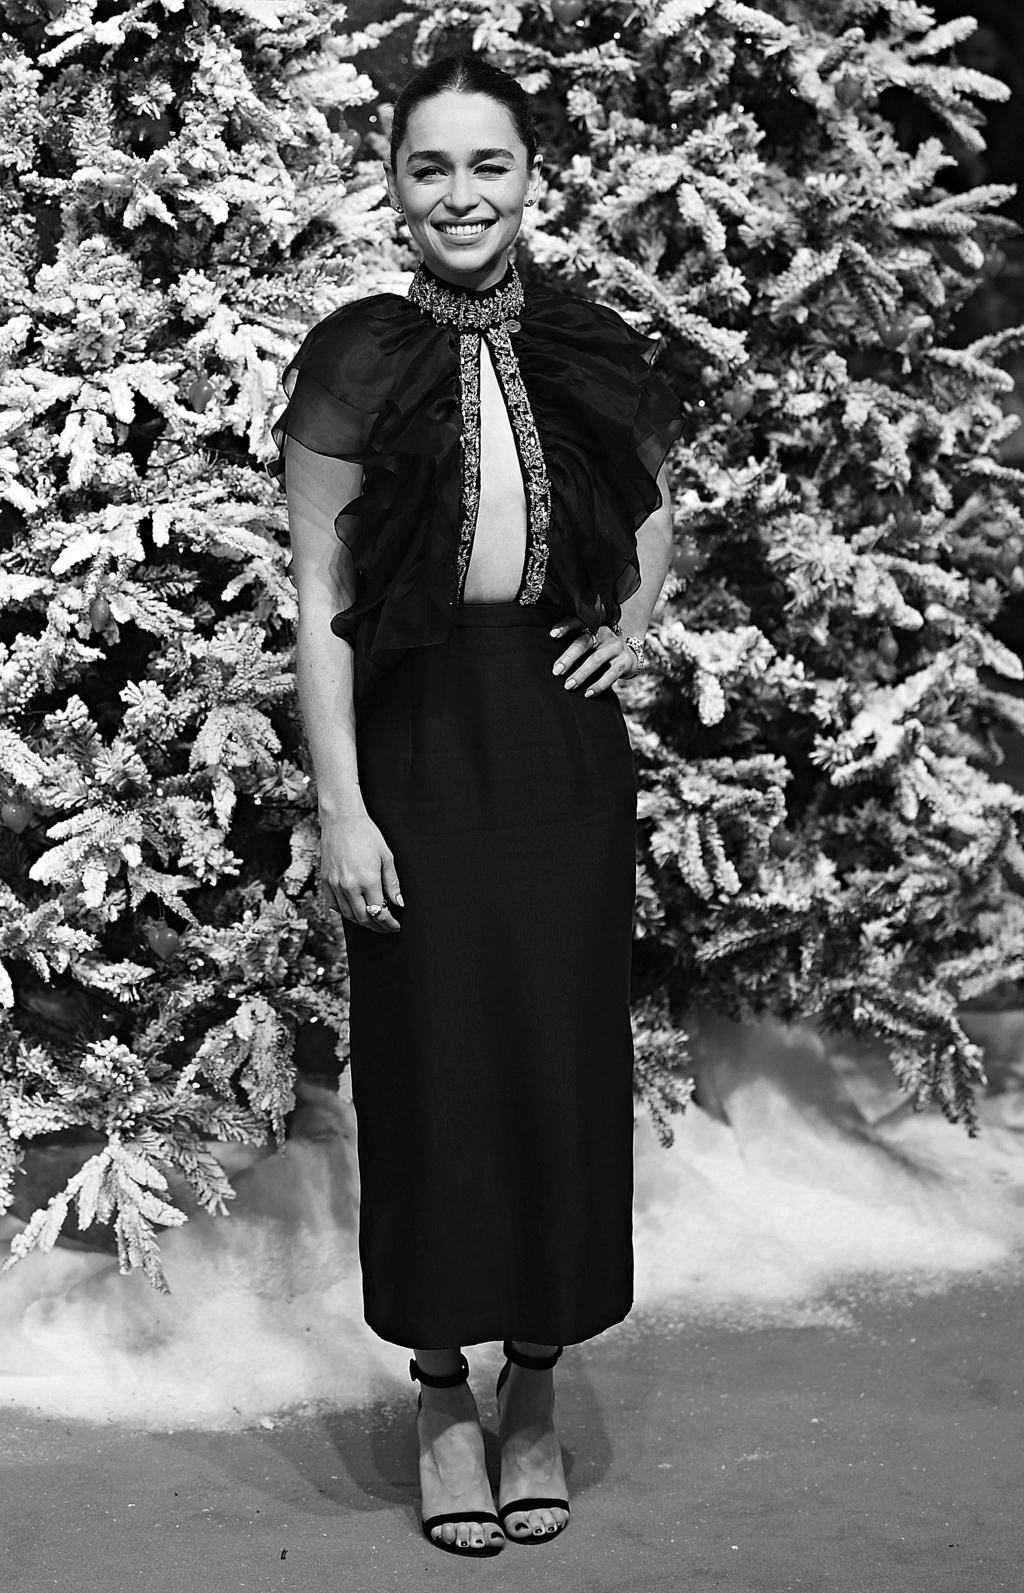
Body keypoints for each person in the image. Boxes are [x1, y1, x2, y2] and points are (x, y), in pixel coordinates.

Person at [273, 53, 682, 1558]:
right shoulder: (355, 359)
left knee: (559, 1065)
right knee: (433, 1069)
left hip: (560, 748)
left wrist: (629, 625)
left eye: (489, 163)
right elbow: (319, 595)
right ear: (394, 185)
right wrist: (343, 804)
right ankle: (444, 1390)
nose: (462, 194)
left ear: (532, 180)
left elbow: (654, 509)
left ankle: (538, 1385)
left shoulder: (585, 340)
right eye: (431, 166)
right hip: (417, 743)